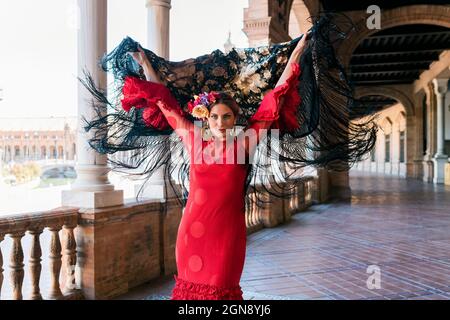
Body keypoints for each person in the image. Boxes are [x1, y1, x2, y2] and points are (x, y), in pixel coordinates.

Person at [126, 34, 309, 300]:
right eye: (214, 117)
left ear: (235, 120)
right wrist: (144, 63)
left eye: (226, 117)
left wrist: (296, 54)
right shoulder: (194, 141)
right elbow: (165, 104)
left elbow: (274, 100)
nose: (220, 122)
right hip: (192, 232)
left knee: (222, 292)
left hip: (227, 236)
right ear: (206, 118)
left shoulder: (245, 143)